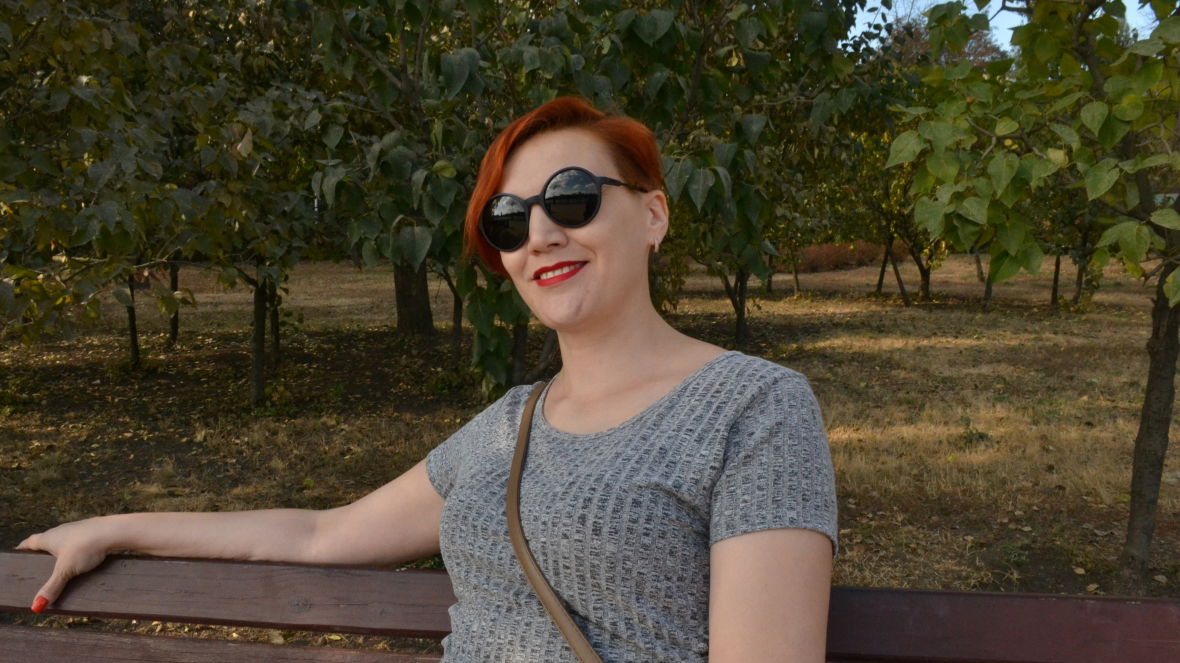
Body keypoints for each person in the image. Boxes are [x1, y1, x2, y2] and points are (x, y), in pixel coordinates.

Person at [19, 97, 837, 662]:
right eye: (508, 220)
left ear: (653, 214)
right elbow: (322, 534)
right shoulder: (511, 423)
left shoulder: (754, 407)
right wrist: (114, 527)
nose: (540, 235)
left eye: (572, 198)